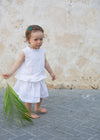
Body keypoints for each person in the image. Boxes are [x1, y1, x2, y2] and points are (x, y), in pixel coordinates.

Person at [2, 25, 56, 119]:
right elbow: (17, 64)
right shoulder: (25, 52)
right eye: (36, 39)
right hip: (29, 79)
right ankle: (27, 112)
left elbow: (45, 62)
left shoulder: (42, 51)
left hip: (38, 77)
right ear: (28, 40)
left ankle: (37, 107)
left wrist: (51, 72)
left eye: (41, 39)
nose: (39, 42)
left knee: (40, 94)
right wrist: (10, 73)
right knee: (29, 97)